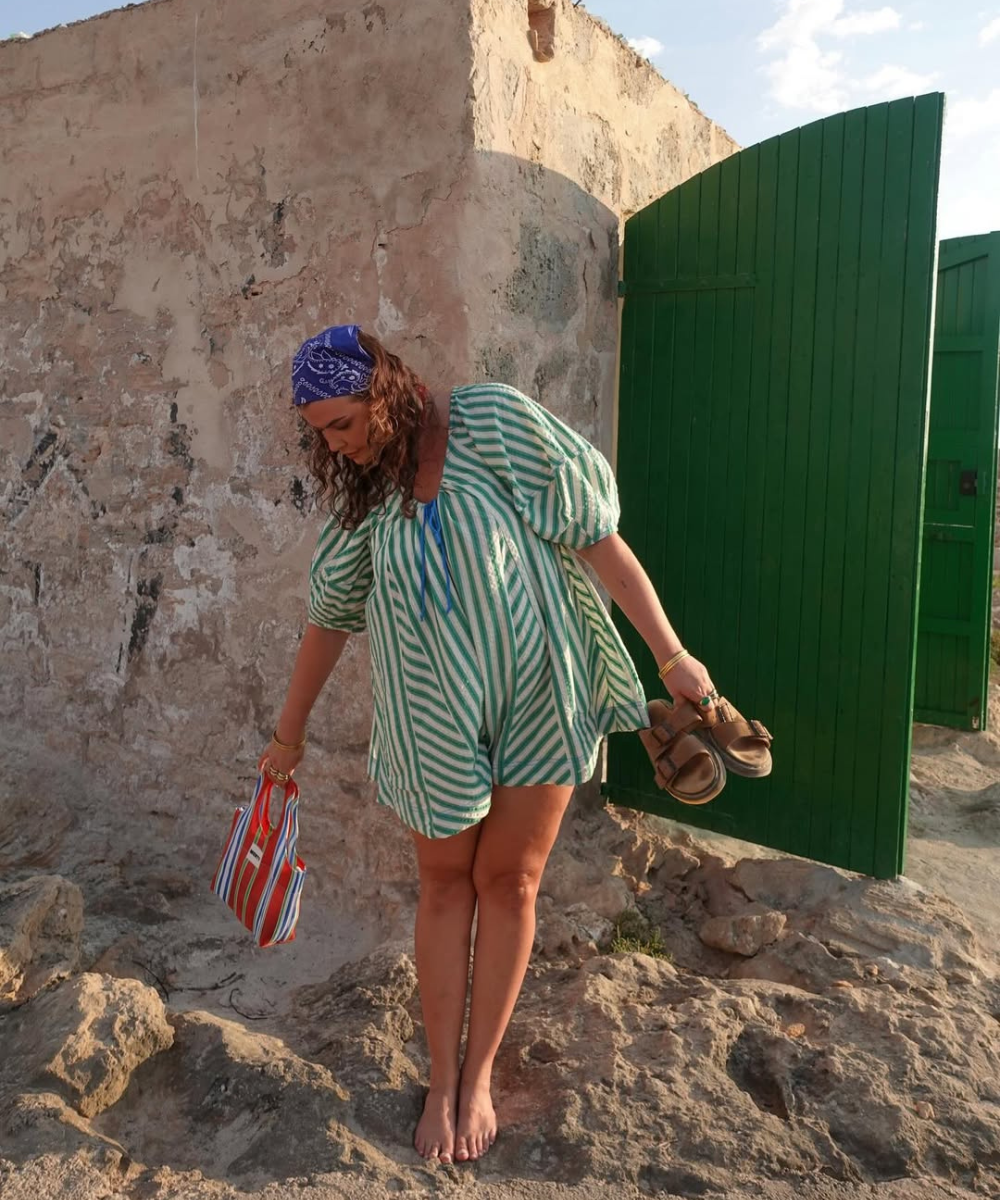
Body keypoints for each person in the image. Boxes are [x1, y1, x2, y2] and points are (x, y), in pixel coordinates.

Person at [260, 325, 719, 1166]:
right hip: (430, 715)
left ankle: (478, 1078)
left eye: (343, 422)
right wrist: (286, 739)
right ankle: (441, 1080)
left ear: (384, 389)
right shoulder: (366, 497)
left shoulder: (493, 424)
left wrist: (672, 653)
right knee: (444, 887)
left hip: (541, 692)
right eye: (322, 432)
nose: (336, 444)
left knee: (510, 883)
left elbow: (596, 541)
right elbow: (328, 621)